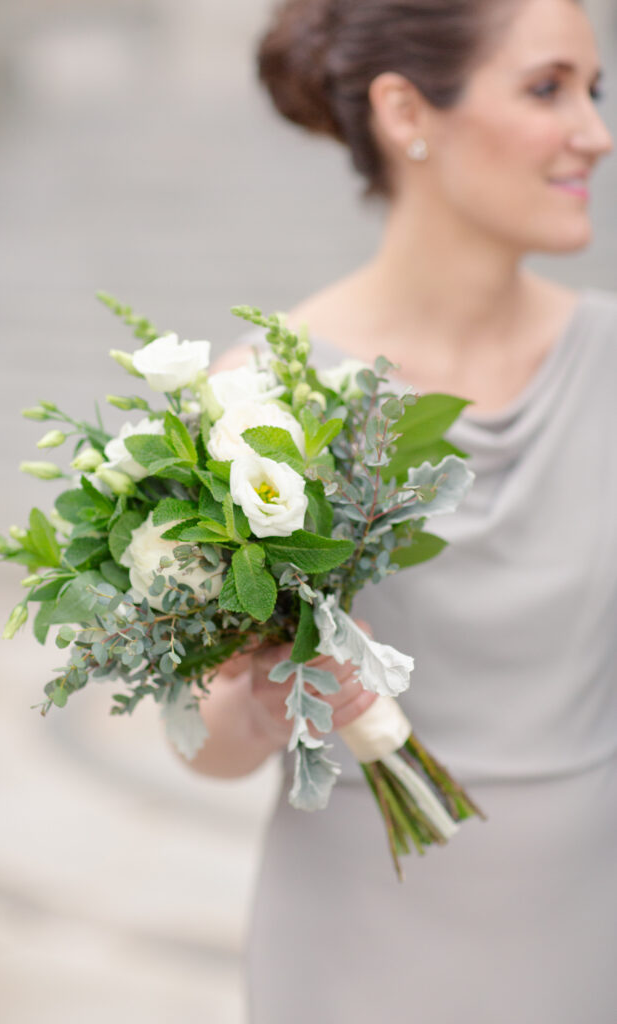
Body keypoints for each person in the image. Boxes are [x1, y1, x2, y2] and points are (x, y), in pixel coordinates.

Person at [184, 0, 617, 1020]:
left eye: (592, 91)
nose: (594, 133)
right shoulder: (265, 396)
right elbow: (203, 745)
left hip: (588, 934)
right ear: (403, 110)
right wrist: (253, 698)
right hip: (357, 950)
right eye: (547, 88)